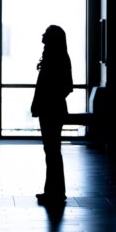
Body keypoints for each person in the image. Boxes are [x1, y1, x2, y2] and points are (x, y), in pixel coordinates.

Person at [31, 25, 73, 205]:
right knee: (52, 150)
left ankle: (54, 191)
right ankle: (54, 190)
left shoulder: (55, 58)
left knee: (52, 150)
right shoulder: (59, 57)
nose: (43, 36)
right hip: (53, 108)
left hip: (50, 110)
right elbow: (66, 86)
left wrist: (45, 101)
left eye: (46, 34)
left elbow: (63, 86)